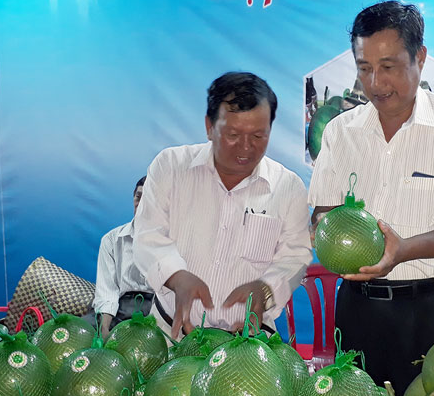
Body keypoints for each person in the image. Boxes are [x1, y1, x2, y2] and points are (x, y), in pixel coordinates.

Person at [308, 1, 434, 396]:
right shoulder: (340, 132)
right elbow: (324, 210)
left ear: (420, 58)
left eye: (389, 66)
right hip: (358, 308)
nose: (375, 83)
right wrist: (322, 230)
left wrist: (402, 250)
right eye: (364, 68)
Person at [133, 72, 312, 338]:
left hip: (248, 342)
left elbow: (295, 256)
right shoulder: (170, 167)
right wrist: (176, 276)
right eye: (233, 134)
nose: (245, 148)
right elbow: (148, 235)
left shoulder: (288, 187)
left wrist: (265, 290)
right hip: (171, 336)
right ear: (209, 126)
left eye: (258, 136)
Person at [84, 176, 153, 338]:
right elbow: (108, 291)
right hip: (119, 307)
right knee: (81, 331)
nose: (141, 203)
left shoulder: (172, 240)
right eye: (138, 197)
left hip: (156, 309)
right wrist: (104, 328)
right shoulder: (112, 239)